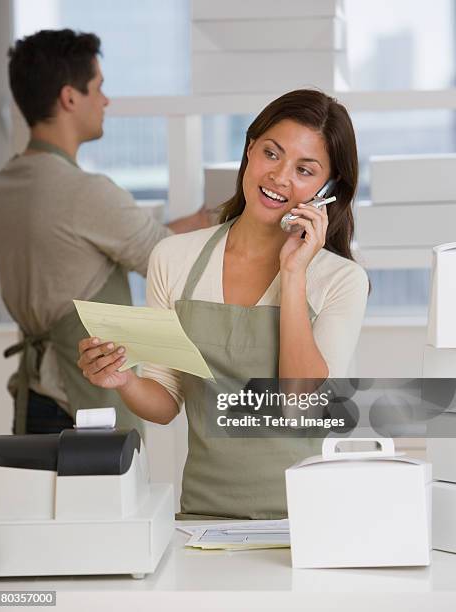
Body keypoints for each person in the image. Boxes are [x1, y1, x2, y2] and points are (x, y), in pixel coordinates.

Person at [78, 89, 369, 520]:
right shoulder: (174, 259)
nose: (280, 177)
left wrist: (293, 275)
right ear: (249, 149)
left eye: (304, 170)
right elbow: (165, 402)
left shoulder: (341, 280)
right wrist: (124, 379)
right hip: (202, 519)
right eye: (272, 153)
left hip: (309, 522)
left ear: (327, 190)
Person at [0, 29, 209, 435]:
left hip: (32, 401)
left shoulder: (5, 187)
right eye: (99, 88)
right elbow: (166, 259)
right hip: (85, 408)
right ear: (70, 97)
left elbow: (89, 243)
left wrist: (190, 223)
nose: (106, 100)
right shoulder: (84, 193)